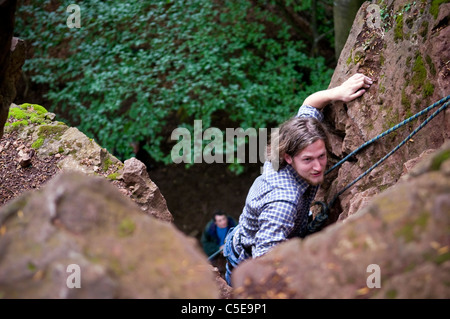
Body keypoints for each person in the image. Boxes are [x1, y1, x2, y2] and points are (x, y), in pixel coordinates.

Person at [223, 73, 373, 286]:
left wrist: (338, 92)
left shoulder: (286, 150)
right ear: (289, 157)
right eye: (308, 160)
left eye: (321, 156)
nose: (318, 166)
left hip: (246, 238)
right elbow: (265, 261)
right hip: (246, 264)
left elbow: (310, 104)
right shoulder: (284, 203)